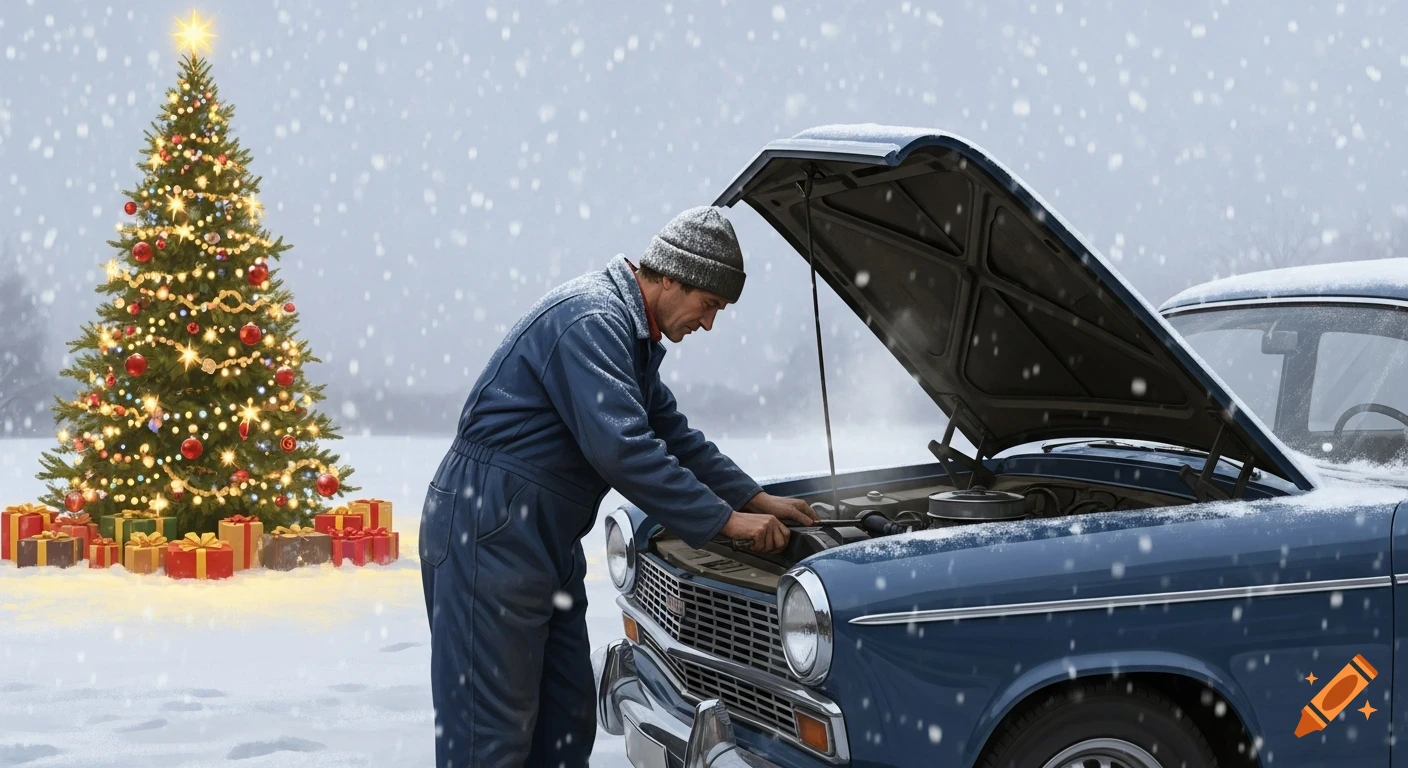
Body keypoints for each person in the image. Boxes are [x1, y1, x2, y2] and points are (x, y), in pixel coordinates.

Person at [418, 206, 818, 767]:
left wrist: (753, 498)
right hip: (487, 529)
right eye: (709, 306)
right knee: (490, 734)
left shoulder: (631, 339)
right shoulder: (591, 322)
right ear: (673, 278)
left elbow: (673, 436)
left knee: (565, 718)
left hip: (541, 539)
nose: (709, 324)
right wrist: (725, 523)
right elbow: (622, 448)